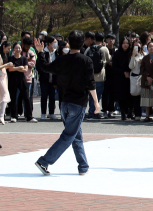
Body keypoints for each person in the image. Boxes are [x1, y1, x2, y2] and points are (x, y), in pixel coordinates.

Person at [33, 32, 100, 176]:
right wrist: (95, 101)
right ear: (82, 43)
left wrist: (40, 52)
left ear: (68, 42)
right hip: (78, 103)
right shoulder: (86, 60)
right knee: (69, 135)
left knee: (75, 134)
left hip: (64, 103)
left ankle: (83, 165)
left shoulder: (61, 60)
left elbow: (45, 67)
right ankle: (44, 161)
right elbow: (90, 83)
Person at [7, 42, 37, 123]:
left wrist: (16, 68)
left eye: (19, 48)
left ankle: (29, 117)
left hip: (22, 79)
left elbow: (25, 69)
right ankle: (14, 116)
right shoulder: (10, 58)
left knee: (26, 97)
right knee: (13, 98)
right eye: (16, 48)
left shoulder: (23, 58)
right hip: (12, 79)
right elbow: (10, 69)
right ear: (13, 49)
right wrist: (19, 67)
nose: (18, 49)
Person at [84, 32, 110, 119]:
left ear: (94, 39)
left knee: (91, 95)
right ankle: (93, 112)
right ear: (103, 39)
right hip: (100, 75)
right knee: (97, 95)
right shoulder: (104, 49)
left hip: (90, 75)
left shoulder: (88, 49)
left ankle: (91, 111)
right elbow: (109, 59)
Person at [37, 36, 59, 120]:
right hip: (44, 78)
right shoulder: (43, 52)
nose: (56, 44)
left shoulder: (57, 53)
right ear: (49, 43)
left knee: (52, 96)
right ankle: (43, 113)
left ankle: (51, 113)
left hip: (53, 78)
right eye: (54, 42)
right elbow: (39, 65)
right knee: (44, 96)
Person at [112, 37, 134, 121]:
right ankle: (122, 112)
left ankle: (130, 112)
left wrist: (129, 72)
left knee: (130, 95)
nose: (125, 45)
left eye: (127, 43)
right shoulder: (117, 53)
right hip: (120, 77)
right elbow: (114, 66)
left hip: (130, 77)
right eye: (124, 43)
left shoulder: (131, 53)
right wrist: (123, 72)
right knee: (121, 96)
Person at [141, 41, 153, 122]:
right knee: (147, 99)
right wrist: (147, 77)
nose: (151, 48)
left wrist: (152, 78)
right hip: (146, 81)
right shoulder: (145, 58)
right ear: (147, 48)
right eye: (150, 46)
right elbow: (142, 69)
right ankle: (147, 116)